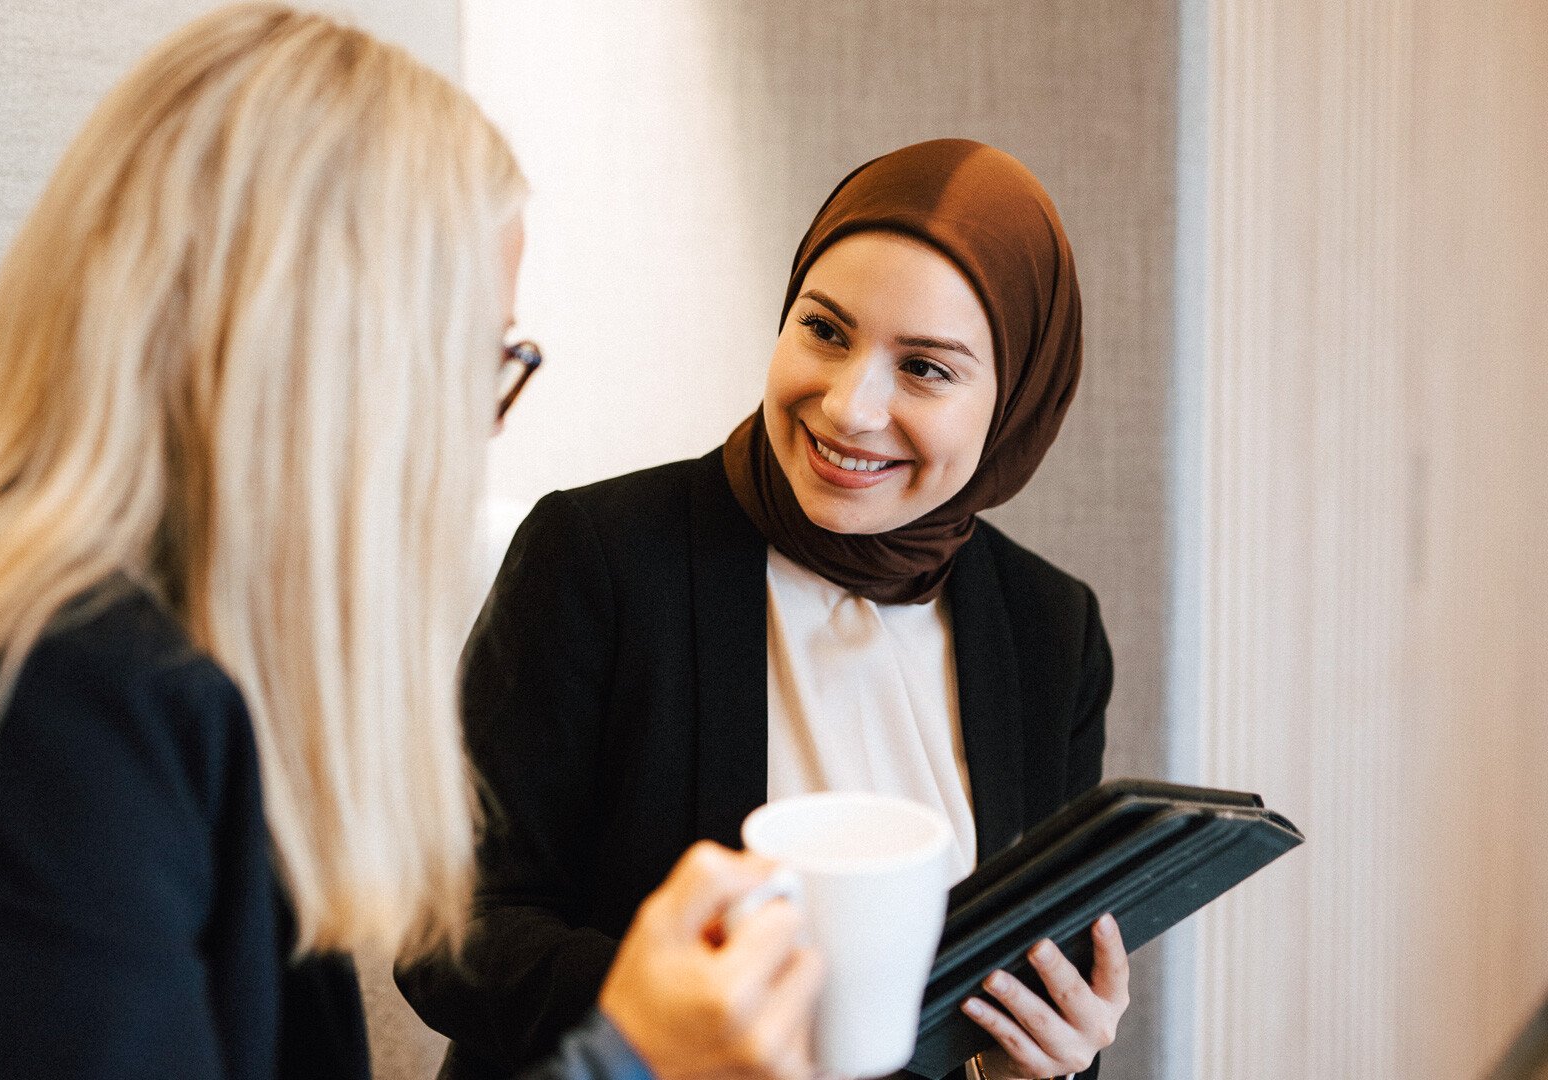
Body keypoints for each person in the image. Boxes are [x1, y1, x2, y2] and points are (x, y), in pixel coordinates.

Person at [0, 6, 824, 1079]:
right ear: (327, 369)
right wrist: (631, 1059)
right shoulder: (32, 721)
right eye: (483, 359)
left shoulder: (142, 672)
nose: (480, 430)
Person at [398, 140, 1130, 1080]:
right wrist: (666, 1014)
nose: (850, 406)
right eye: (826, 330)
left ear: (1018, 403)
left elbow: (1023, 980)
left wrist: (1046, 1062)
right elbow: (445, 930)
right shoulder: (602, 556)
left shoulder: (1050, 629)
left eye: (926, 369)